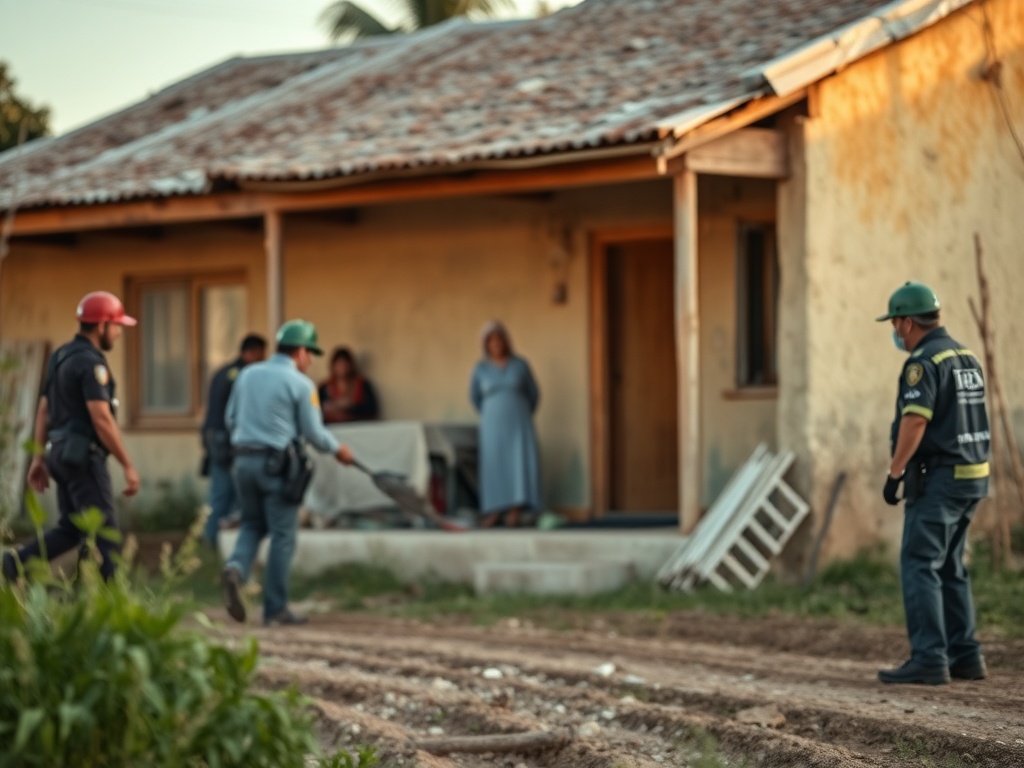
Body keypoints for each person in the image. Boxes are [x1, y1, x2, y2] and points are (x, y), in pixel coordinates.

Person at [875, 281, 991, 685]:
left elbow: (916, 419)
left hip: (940, 479)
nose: (894, 332)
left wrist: (895, 473)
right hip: (974, 475)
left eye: (894, 323)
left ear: (907, 322)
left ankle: (929, 658)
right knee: (951, 566)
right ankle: (966, 656)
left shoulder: (924, 361)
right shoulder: (966, 355)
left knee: (919, 562)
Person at [220, 319, 353, 627]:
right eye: (311, 354)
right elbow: (314, 434)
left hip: (242, 462)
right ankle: (276, 608)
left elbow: (230, 418)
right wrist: (339, 450)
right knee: (282, 534)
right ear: (301, 351)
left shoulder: (248, 374)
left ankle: (236, 568)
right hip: (276, 466)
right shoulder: (302, 385)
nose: (312, 361)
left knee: (252, 523)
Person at [2, 291, 140, 583]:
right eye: (116, 326)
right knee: (106, 533)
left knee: (71, 529)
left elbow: (43, 411)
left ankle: (12, 564)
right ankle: (112, 604)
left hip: (59, 455)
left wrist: (40, 458)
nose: (117, 333)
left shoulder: (60, 357)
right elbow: (101, 418)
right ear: (101, 325)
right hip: (83, 457)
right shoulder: (91, 364)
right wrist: (127, 464)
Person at [469, 320, 541, 528]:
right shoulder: (480, 369)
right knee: (494, 465)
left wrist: (521, 413)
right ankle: (493, 510)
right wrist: (493, 412)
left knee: (518, 462)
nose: (495, 345)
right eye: (490, 341)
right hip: (492, 425)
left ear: (505, 341)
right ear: (485, 345)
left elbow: (534, 394)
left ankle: (515, 509)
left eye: (498, 340)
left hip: (519, 424)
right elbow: (474, 398)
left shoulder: (520, 365)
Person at [199, 333, 267, 548]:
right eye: (261, 355)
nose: (263, 361)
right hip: (227, 440)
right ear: (252, 352)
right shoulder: (244, 375)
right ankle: (212, 541)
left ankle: (215, 539)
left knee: (223, 491)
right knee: (227, 492)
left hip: (214, 437)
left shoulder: (225, 372)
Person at [318, 346, 380, 424]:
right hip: (332, 429)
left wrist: (350, 406)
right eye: (338, 364)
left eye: (344, 364)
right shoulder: (325, 387)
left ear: (351, 365)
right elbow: (316, 410)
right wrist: (332, 406)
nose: (342, 368)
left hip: (357, 428)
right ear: (333, 366)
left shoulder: (362, 385)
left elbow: (371, 409)